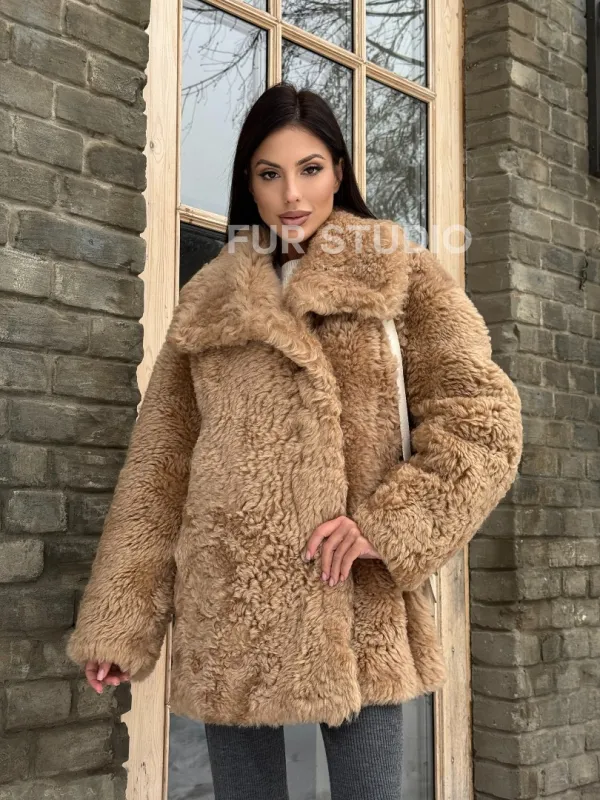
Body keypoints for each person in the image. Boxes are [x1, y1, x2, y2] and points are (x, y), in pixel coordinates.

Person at [67, 82, 523, 799]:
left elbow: (484, 422)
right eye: (269, 173)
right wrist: (121, 626)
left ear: (338, 170)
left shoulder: (398, 274)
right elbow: (159, 473)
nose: (291, 195)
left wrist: (388, 525)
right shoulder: (211, 302)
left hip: (352, 601)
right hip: (230, 608)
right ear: (248, 183)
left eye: (309, 168)